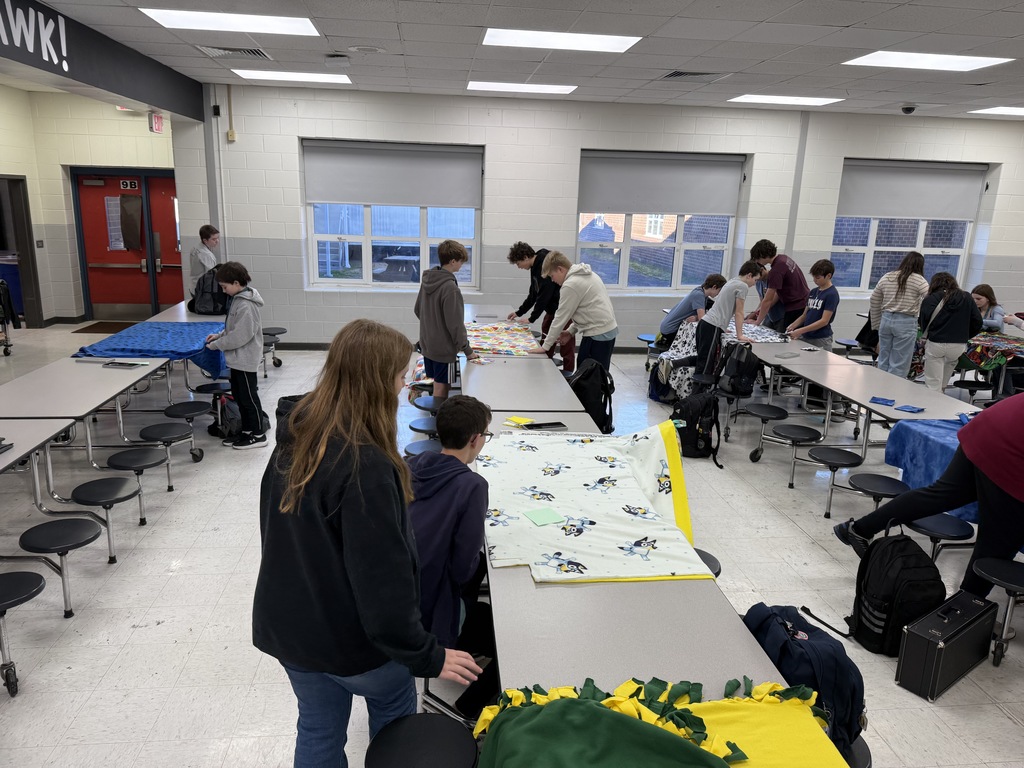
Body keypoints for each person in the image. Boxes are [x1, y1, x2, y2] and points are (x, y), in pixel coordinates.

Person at [253, 320, 482, 768]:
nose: (402, 388)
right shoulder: (367, 466)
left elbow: (278, 539)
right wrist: (426, 654)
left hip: (291, 631)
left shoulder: (296, 438)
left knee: (317, 730)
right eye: (399, 377)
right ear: (377, 381)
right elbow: (384, 584)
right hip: (352, 643)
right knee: (396, 720)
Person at [834, 393, 1024, 600]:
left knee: (941, 494)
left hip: (988, 426)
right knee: (999, 539)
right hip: (1010, 450)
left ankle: (858, 529)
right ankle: (963, 613)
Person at [406, 394, 497, 718]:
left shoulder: (413, 464)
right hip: (431, 609)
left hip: (403, 597)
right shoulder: (473, 486)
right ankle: (468, 710)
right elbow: (461, 571)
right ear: (475, 439)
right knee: (504, 634)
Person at [205, 262, 267, 449]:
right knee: (239, 397)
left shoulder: (246, 305)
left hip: (245, 359)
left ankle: (258, 435)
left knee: (249, 398)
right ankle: (247, 431)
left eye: (225, 287)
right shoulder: (238, 300)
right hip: (237, 360)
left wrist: (217, 345)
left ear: (236, 283)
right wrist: (219, 336)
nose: (223, 291)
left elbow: (240, 336)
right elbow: (233, 328)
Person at [528, 252, 619, 373]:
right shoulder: (588, 274)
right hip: (607, 331)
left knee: (589, 377)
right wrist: (570, 332)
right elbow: (587, 311)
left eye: (552, 275)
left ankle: (592, 392)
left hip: (598, 335)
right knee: (597, 374)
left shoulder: (570, 285)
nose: (552, 280)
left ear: (560, 269)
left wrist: (545, 347)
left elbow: (560, 318)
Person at [414, 240, 480, 400]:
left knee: (438, 382)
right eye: (461, 261)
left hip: (428, 345)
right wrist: (468, 350)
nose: (462, 265)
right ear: (453, 261)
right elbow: (455, 325)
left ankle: (436, 414)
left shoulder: (428, 280)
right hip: (445, 351)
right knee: (444, 386)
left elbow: (418, 310)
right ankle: (440, 419)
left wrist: (432, 326)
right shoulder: (450, 288)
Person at [506, 242, 574, 374]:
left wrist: (532, 318)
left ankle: (569, 375)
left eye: (518, 263)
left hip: (563, 311)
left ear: (525, 257)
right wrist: (519, 312)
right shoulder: (534, 266)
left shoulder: (544, 263)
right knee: (546, 342)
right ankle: (543, 371)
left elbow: (544, 295)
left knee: (566, 346)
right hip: (551, 311)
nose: (519, 267)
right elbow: (534, 293)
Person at [695, 260, 760, 379]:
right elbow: (739, 312)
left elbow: (727, 307)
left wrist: (724, 327)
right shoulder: (742, 286)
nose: (754, 284)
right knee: (706, 365)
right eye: (755, 280)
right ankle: (698, 395)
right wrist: (740, 335)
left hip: (706, 323)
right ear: (749, 275)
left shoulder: (732, 281)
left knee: (702, 360)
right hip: (712, 325)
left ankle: (698, 394)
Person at [869, 251, 929, 378]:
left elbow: (874, 299)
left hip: (886, 319)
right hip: (906, 321)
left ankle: (879, 387)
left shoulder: (887, 276)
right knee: (900, 361)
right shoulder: (919, 280)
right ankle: (892, 392)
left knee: (883, 357)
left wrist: (876, 324)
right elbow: (929, 299)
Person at [919, 272, 982, 392]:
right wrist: (966, 335)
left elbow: (923, 321)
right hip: (958, 345)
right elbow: (978, 321)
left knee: (933, 382)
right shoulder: (966, 297)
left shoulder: (930, 298)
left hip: (936, 342)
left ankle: (934, 400)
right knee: (950, 363)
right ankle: (943, 389)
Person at [750, 239, 809, 332]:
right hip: (802, 303)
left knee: (787, 338)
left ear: (762, 255)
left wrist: (757, 322)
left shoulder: (776, 270)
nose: (757, 262)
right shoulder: (784, 258)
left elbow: (768, 300)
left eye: (757, 259)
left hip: (796, 307)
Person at [660, 273, 726, 347]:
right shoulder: (699, 296)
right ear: (714, 287)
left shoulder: (700, 290)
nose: (719, 294)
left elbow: (713, 307)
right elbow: (703, 320)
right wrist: (721, 328)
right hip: (670, 330)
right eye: (720, 291)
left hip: (666, 326)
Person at [786, 259, 839, 351]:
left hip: (821, 338)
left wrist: (800, 331)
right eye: (813, 277)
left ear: (828, 276)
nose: (815, 280)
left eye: (818, 278)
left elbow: (824, 321)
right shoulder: (813, 292)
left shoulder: (831, 294)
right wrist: (793, 326)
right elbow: (804, 315)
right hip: (807, 335)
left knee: (819, 364)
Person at [189, 224, 220, 294]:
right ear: (205, 240)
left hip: (194, 285)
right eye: (214, 239)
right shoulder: (206, 255)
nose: (217, 241)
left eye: (217, 238)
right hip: (203, 291)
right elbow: (212, 275)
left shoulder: (195, 248)